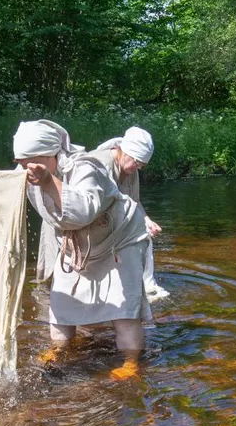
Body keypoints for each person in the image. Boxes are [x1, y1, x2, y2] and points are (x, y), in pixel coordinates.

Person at [13, 119, 153, 379]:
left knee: (123, 310)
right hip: (77, 246)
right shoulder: (33, 171)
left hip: (120, 240)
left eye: (31, 162)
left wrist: (47, 182)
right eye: (21, 163)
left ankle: (131, 362)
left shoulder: (86, 167)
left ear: (51, 154)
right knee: (61, 303)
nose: (27, 169)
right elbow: (8, 188)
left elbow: (82, 211)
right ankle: (57, 350)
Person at [90, 126, 169, 300]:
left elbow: (135, 201)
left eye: (142, 165)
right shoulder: (100, 165)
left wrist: (146, 220)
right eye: (137, 162)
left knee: (144, 235)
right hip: (86, 228)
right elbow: (90, 209)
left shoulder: (130, 168)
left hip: (109, 223)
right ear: (124, 152)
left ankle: (147, 287)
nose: (138, 168)